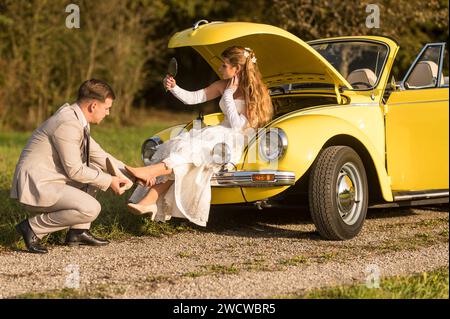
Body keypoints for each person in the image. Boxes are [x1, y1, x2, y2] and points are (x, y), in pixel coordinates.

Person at [125, 46, 273, 226]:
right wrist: (174, 87)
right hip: (218, 133)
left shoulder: (256, 93)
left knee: (189, 153)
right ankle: (147, 201)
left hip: (235, 142)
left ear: (237, 69)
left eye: (224, 65)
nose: (220, 68)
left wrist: (227, 96)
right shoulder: (222, 85)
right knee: (183, 151)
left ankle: (147, 176)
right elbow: (193, 98)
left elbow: (237, 126)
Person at [10, 79, 133, 254]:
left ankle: (78, 232)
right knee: (91, 208)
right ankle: (32, 228)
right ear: (93, 106)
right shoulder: (67, 123)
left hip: (50, 179)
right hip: (36, 184)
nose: (108, 113)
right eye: (107, 108)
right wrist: (109, 180)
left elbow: (99, 155)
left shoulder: (76, 119)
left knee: (95, 173)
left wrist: (133, 174)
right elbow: (74, 170)